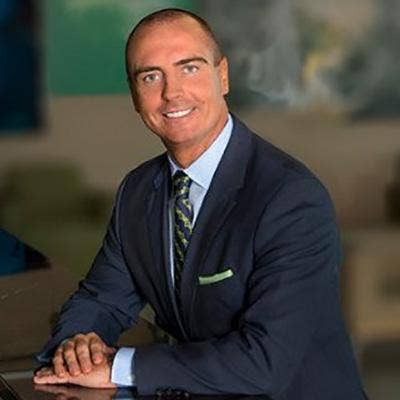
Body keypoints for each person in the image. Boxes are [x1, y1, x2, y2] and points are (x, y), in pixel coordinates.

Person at [34, 8, 367, 399]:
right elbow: (101, 298)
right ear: (135, 94)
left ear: (222, 76)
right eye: (151, 76)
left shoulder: (291, 198)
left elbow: (265, 361)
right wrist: (77, 346)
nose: (172, 92)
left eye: (189, 68)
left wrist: (119, 367)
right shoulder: (138, 191)